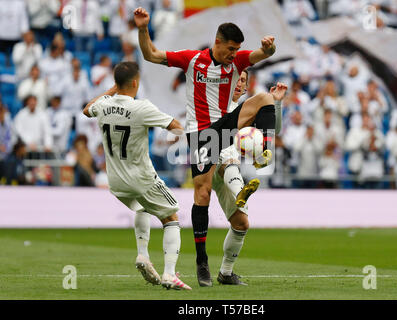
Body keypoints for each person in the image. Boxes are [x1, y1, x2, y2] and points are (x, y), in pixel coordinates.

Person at [134, 6, 277, 287]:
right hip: (202, 134)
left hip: (226, 126)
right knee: (203, 192)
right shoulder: (192, 60)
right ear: (218, 42)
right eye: (231, 48)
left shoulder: (238, 63)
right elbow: (151, 54)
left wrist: (269, 48)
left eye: (238, 49)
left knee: (265, 99)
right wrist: (142, 28)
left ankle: (263, 151)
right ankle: (202, 263)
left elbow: (264, 55)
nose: (235, 54)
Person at [82, 61, 191, 290]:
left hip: (116, 181)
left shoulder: (103, 106)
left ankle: (143, 254)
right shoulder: (142, 107)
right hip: (141, 178)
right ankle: (170, 275)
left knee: (142, 208)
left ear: (116, 83)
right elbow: (175, 126)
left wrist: (112, 90)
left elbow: (86, 109)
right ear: (135, 82)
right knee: (171, 217)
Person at [211, 71, 288, 285]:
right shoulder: (214, 101)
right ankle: (241, 192)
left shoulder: (247, 108)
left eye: (244, 80)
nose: (239, 83)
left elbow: (273, 131)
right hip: (208, 158)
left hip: (228, 173)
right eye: (236, 78)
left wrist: (277, 104)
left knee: (241, 224)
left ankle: (226, 273)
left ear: (246, 86)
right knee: (229, 156)